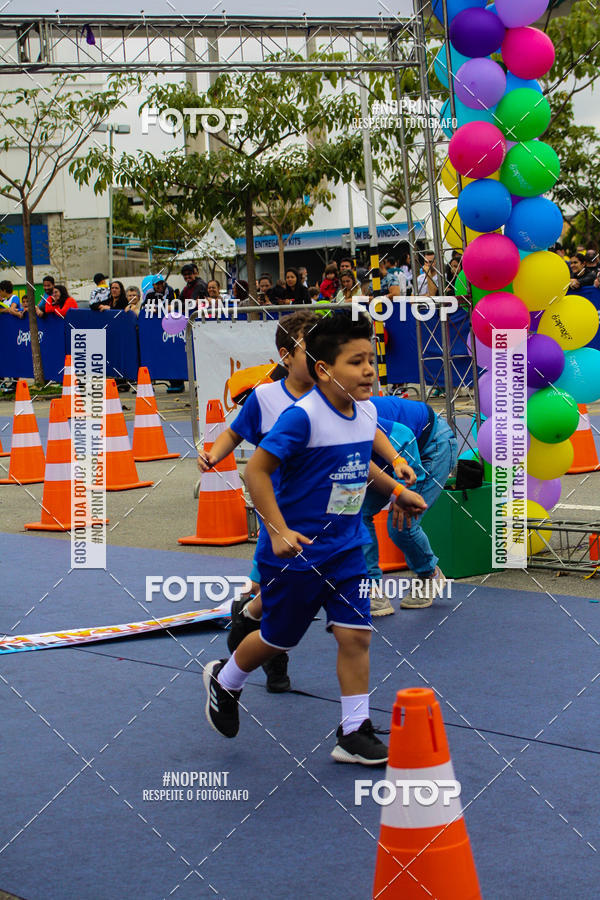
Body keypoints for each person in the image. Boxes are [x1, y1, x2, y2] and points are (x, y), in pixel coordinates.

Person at [203, 311, 427, 762]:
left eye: (372, 360)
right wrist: (280, 530)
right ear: (324, 369)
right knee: (278, 639)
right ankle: (225, 681)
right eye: (355, 361)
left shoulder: (364, 410)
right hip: (295, 553)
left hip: (344, 549)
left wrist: (398, 489)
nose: (368, 370)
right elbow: (256, 470)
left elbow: (361, 461)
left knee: (356, 636)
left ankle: (353, 731)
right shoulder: (300, 417)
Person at [198, 310, 318, 692]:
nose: (320, 354)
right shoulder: (265, 397)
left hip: (322, 513)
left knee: (298, 590)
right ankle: (272, 660)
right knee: (282, 592)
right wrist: (213, 454)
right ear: (286, 355)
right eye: (309, 346)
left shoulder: (332, 393)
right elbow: (234, 433)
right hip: (277, 513)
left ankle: (248, 615)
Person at [364, 394, 458, 613]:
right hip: (390, 457)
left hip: (431, 443)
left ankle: (430, 575)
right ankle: (371, 589)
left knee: (401, 525)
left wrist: (402, 491)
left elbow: (404, 437)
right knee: (356, 515)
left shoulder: (345, 410)